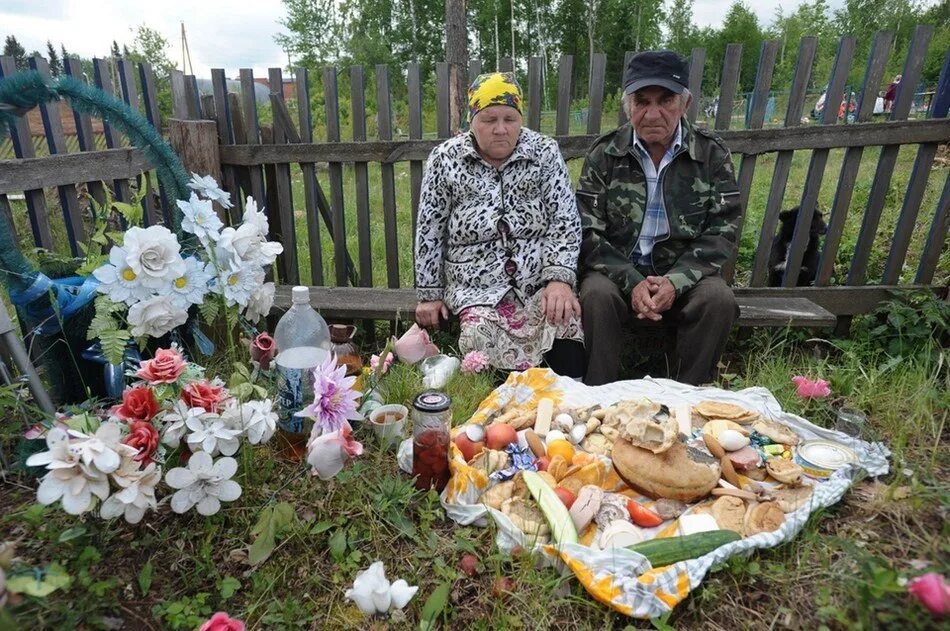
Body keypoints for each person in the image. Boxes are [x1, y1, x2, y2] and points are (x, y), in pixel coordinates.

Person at [577, 50, 741, 386]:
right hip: (619, 271)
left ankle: (688, 396)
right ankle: (596, 396)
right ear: (628, 104)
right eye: (642, 101)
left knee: (718, 299)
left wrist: (675, 281)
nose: (653, 113)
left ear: (686, 102)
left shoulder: (710, 154)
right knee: (595, 296)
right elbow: (587, 231)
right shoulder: (604, 153)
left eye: (666, 100)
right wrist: (633, 281)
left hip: (685, 274)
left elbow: (722, 230)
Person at [413, 72, 585, 376]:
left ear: (521, 119)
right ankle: (492, 413)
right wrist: (429, 294)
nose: (501, 129)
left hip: (537, 284)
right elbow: (430, 227)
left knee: (564, 318)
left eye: (510, 118)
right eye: (489, 119)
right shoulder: (445, 159)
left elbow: (565, 218)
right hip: (475, 288)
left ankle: (564, 409)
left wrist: (558, 279)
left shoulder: (544, 152)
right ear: (472, 120)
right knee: (478, 334)